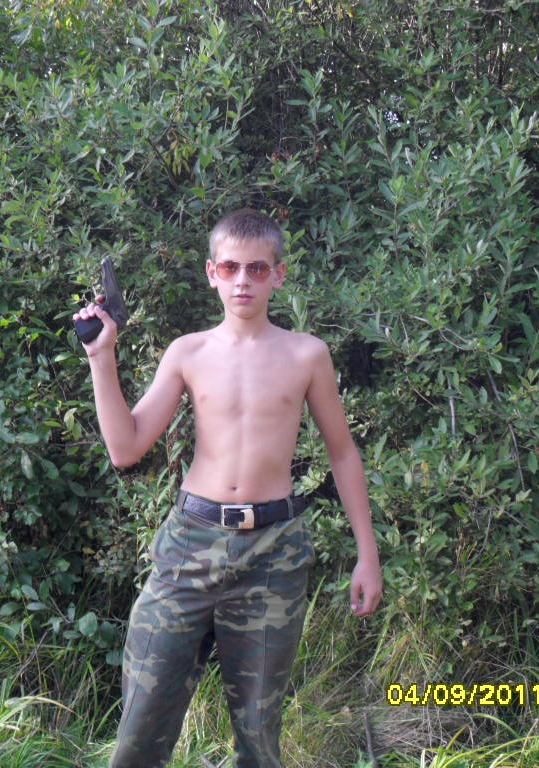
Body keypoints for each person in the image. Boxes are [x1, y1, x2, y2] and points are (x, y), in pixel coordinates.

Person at [73, 209, 382, 768]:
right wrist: (102, 356)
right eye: (231, 267)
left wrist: (368, 554)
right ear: (211, 273)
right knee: (140, 729)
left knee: (259, 738)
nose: (243, 280)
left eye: (257, 269)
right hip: (188, 549)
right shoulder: (188, 352)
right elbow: (126, 447)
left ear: (278, 275)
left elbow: (342, 453)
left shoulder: (306, 354)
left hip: (273, 555)